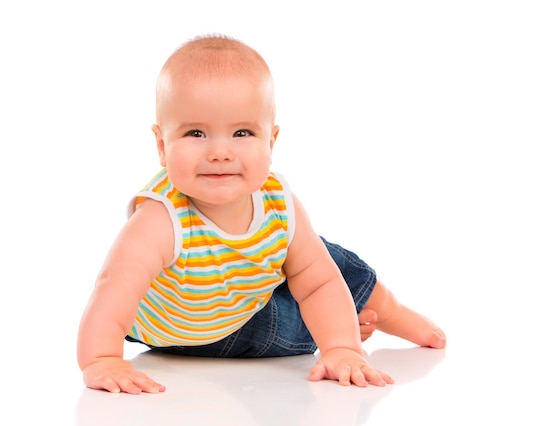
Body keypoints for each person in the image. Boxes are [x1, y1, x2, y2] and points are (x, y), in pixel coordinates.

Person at [77, 33, 446, 394]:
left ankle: (388, 312)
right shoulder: (161, 218)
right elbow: (114, 288)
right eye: (195, 133)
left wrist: (342, 349)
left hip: (239, 294)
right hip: (215, 333)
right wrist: (102, 359)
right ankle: (347, 321)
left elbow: (318, 282)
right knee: (290, 319)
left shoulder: (277, 202)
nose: (220, 152)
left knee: (319, 257)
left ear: (271, 141)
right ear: (162, 145)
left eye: (241, 132)